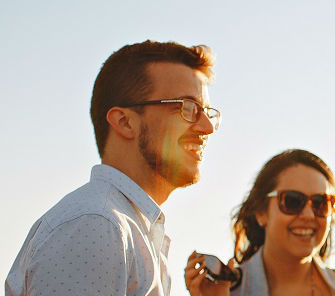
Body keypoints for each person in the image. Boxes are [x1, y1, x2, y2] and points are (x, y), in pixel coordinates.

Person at [4, 40, 219, 296]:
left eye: (206, 111)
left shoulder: (126, 228)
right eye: (187, 108)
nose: (207, 127)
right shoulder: (96, 224)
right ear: (124, 122)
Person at [184, 149, 335, 296]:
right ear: (261, 212)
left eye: (321, 204)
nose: (308, 214)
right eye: (292, 201)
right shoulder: (223, 290)